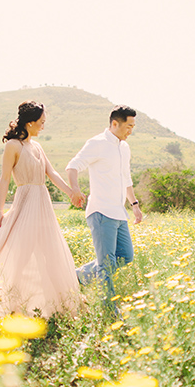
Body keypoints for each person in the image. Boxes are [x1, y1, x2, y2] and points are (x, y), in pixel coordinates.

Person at [0, 101, 82, 318]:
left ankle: (58, 304)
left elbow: (51, 173)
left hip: (43, 202)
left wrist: (71, 193)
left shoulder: (37, 146)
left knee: (49, 251)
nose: (43, 126)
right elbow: (4, 179)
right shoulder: (13, 146)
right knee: (16, 252)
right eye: (41, 122)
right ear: (30, 122)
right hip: (25, 202)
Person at [66, 105, 143, 307]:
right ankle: (110, 313)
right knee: (106, 266)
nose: (131, 131)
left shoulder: (124, 148)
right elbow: (73, 165)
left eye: (133, 127)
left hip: (119, 212)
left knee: (125, 256)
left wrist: (134, 204)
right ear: (114, 124)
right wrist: (74, 189)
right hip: (101, 212)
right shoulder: (97, 143)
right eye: (128, 126)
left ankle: (78, 276)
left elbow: (126, 177)